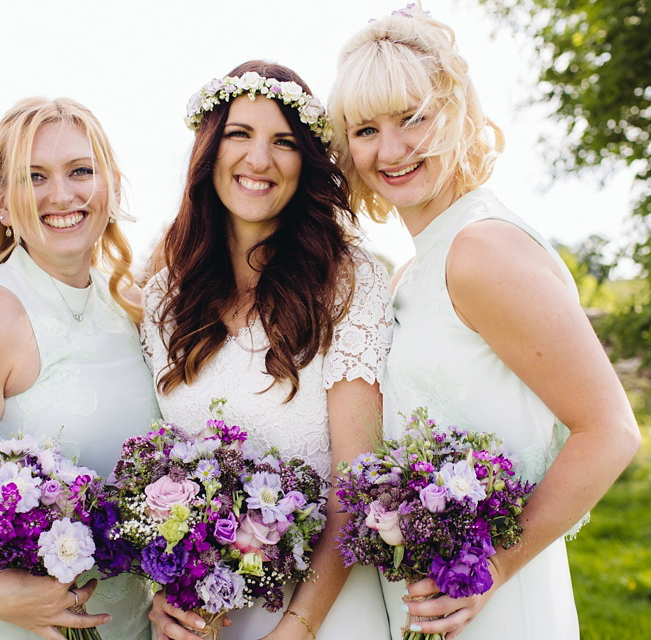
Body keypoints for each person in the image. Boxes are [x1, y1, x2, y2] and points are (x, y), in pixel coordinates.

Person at [326, 6, 641, 639]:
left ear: (456, 115)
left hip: (491, 604)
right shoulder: (416, 268)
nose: (390, 150)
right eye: (366, 129)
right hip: (433, 601)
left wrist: (492, 567)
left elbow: (610, 431)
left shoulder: (481, 250)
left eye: (412, 119)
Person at [142, 60, 394, 640]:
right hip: (204, 620)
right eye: (240, 134)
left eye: (284, 142)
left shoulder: (349, 282)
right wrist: (163, 594)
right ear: (209, 150)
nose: (259, 160)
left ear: (305, 163)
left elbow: (357, 483)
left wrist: (297, 628)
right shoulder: (164, 298)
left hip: (325, 613)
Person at [0, 96, 161, 640]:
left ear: (112, 186)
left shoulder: (128, 303)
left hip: (128, 617)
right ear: (4, 204)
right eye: (35, 178)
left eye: (80, 171)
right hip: (19, 623)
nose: (61, 195)